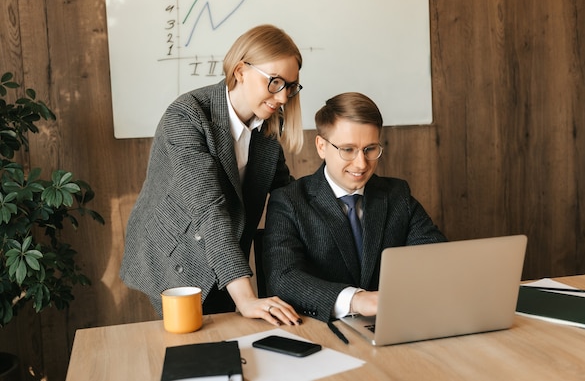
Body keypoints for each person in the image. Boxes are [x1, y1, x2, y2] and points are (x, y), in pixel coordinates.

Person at [120, 24, 304, 326]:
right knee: (195, 352)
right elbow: (209, 209)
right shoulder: (187, 115)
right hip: (176, 255)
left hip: (226, 251)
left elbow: (286, 191)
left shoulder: (268, 123)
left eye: (291, 86)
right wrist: (245, 298)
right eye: (275, 82)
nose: (283, 97)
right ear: (241, 71)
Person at [262, 92, 447, 323]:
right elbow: (283, 278)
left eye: (370, 149)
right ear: (321, 146)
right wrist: (356, 300)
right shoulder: (289, 201)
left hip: (393, 323)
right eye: (348, 150)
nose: (361, 164)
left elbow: (436, 256)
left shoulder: (397, 195)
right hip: (320, 329)